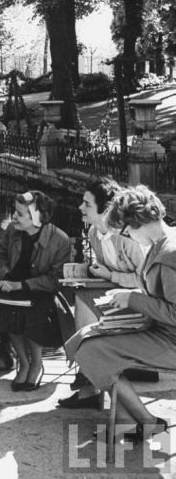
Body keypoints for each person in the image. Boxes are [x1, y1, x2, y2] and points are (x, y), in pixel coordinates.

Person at [68, 185, 176, 441]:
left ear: (138, 221)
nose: (127, 237)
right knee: (87, 337)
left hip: (171, 341)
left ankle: (142, 421)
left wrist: (132, 299)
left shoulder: (170, 254)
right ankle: (135, 421)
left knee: (92, 350)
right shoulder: (163, 243)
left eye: (126, 231)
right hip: (161, 332)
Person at [58, 177, 151, 410]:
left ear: (105, 210)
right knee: (76, 299)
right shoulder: (92, 233)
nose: (81, 207)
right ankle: (88, 376)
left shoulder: (129, 239)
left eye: (87, 204)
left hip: (141, 303)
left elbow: (148, 281)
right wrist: (86, 271)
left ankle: (88, 379)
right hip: (115, 296)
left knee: (85, 308)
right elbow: (106, 270)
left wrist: (111, 277)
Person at [0, 190, 70, 392]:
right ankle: (24, 362)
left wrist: (22, 285)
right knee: (9, 311)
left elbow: (56, 280)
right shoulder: (12, 230)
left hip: (42, 291)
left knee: (32, 314)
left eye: (19, 214)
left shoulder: (60, 240)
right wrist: (5, 275)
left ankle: (36, 364)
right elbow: (0, 255)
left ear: (37, 218)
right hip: (13, 286)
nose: (13, 217)